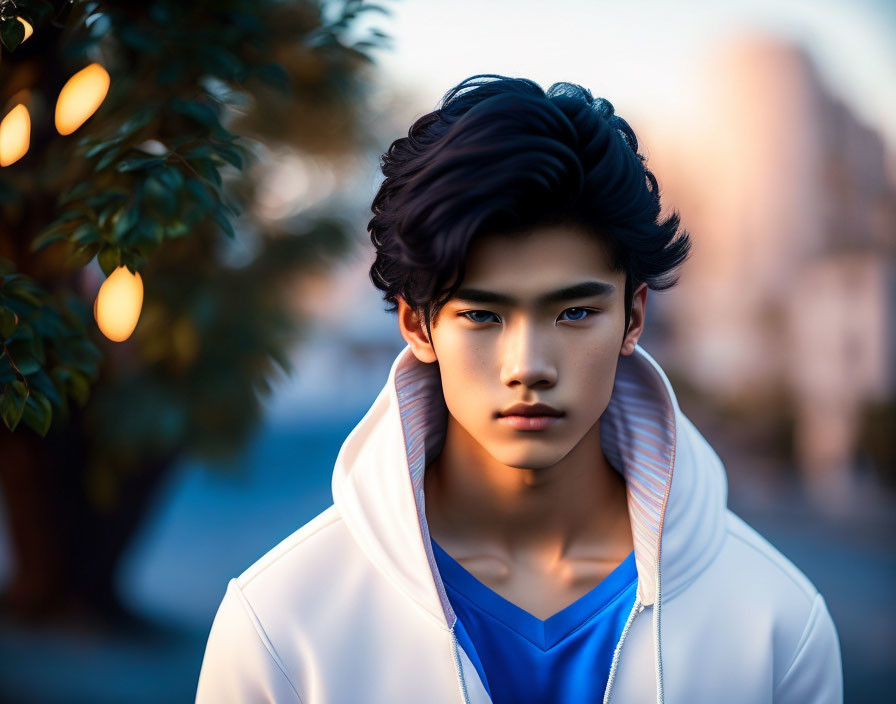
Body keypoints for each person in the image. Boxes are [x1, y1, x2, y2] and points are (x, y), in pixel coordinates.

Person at [195, 75, 843, 703]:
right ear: (418, 325)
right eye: (481, 315)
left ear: (633, 317)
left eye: (574, 313)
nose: (528, 365)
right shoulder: (282, 625)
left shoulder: (775, 623)